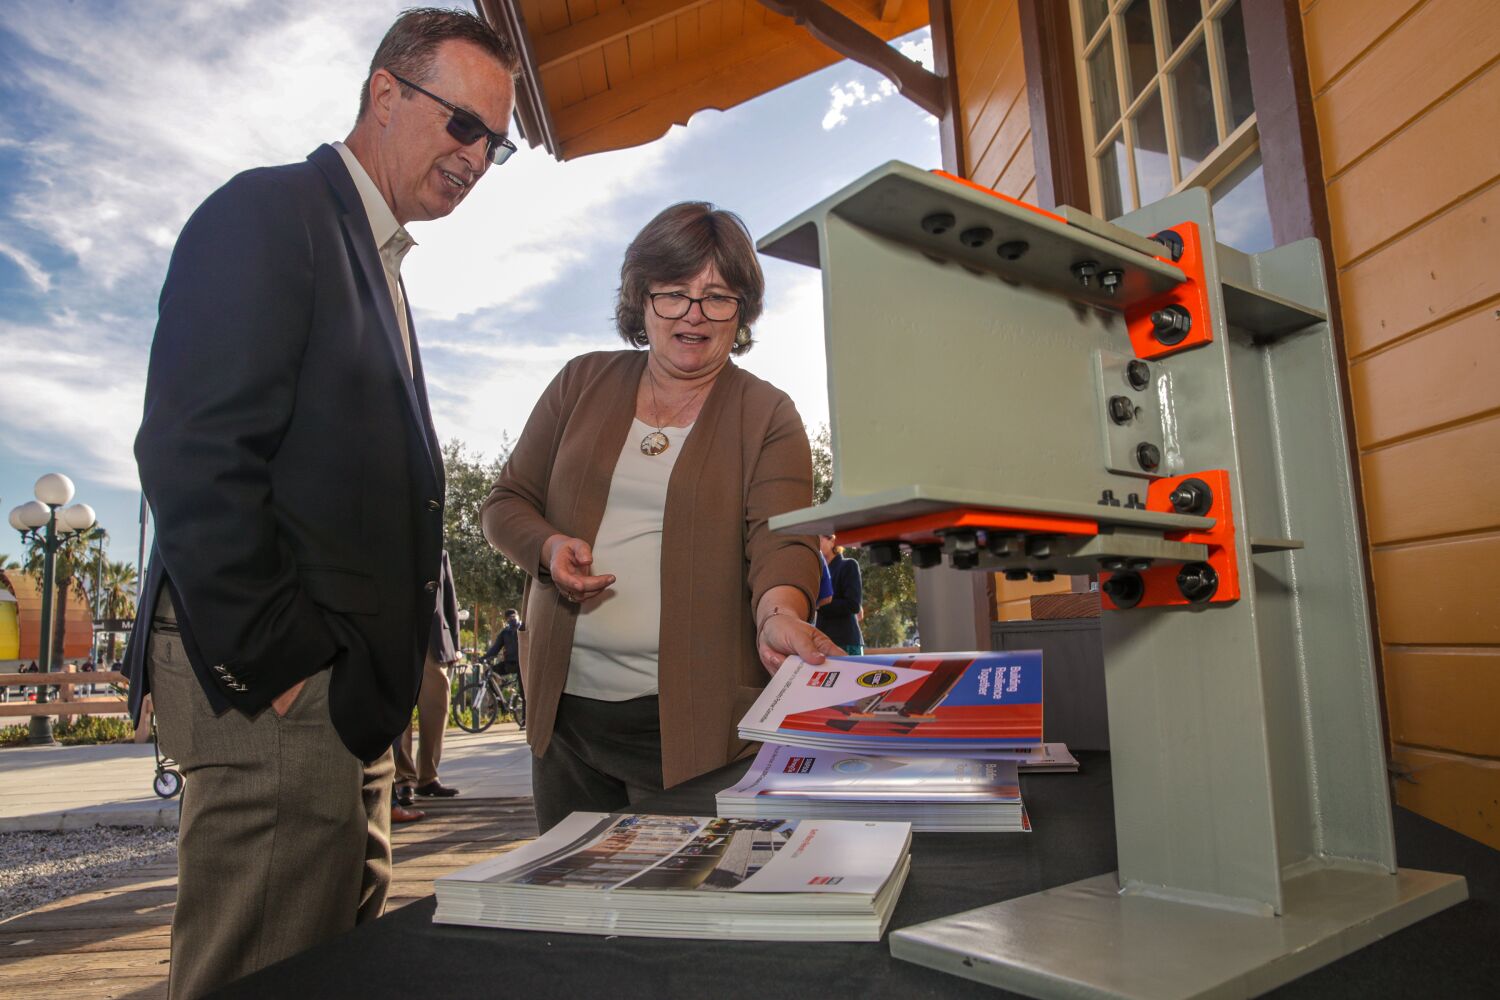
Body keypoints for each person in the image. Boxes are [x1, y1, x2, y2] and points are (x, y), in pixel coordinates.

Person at [123, 11, 518, 997]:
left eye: (496, 143)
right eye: (462, 124)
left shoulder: (376, 257)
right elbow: (194, 453)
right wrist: (283, 664)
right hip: (278, 703)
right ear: (384, 94)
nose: (476, 156)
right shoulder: (270, 213)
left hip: (343, 712)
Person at [483, 202, 843, 833]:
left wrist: (780, 615)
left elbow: (781, 540)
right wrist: (546, 547)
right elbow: (505, 502)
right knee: (573, 915)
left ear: (744, 310)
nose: (694, 315)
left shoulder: (769, 415)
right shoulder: (579, 382)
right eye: (674, 293)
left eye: (718, 296)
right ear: (641, 299)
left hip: (695, 731)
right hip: (566, 722)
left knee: (689, 912)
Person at [396, 551, 462, 804]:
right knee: (400, 714)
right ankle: (404, 780)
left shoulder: (441, 551)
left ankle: (428, 777)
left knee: (436, 712)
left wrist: (455, 643)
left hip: (434, 643)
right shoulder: (388, 538)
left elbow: (450, 602)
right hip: (397, 639)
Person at [816, 534, 865, 655]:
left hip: (845, 642)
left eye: (819, 540)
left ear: (832, 541)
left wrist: (820, 604)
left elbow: (853, 605)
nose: (815, 544)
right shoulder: (817, 572)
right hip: (821, 642)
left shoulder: (848, 565)